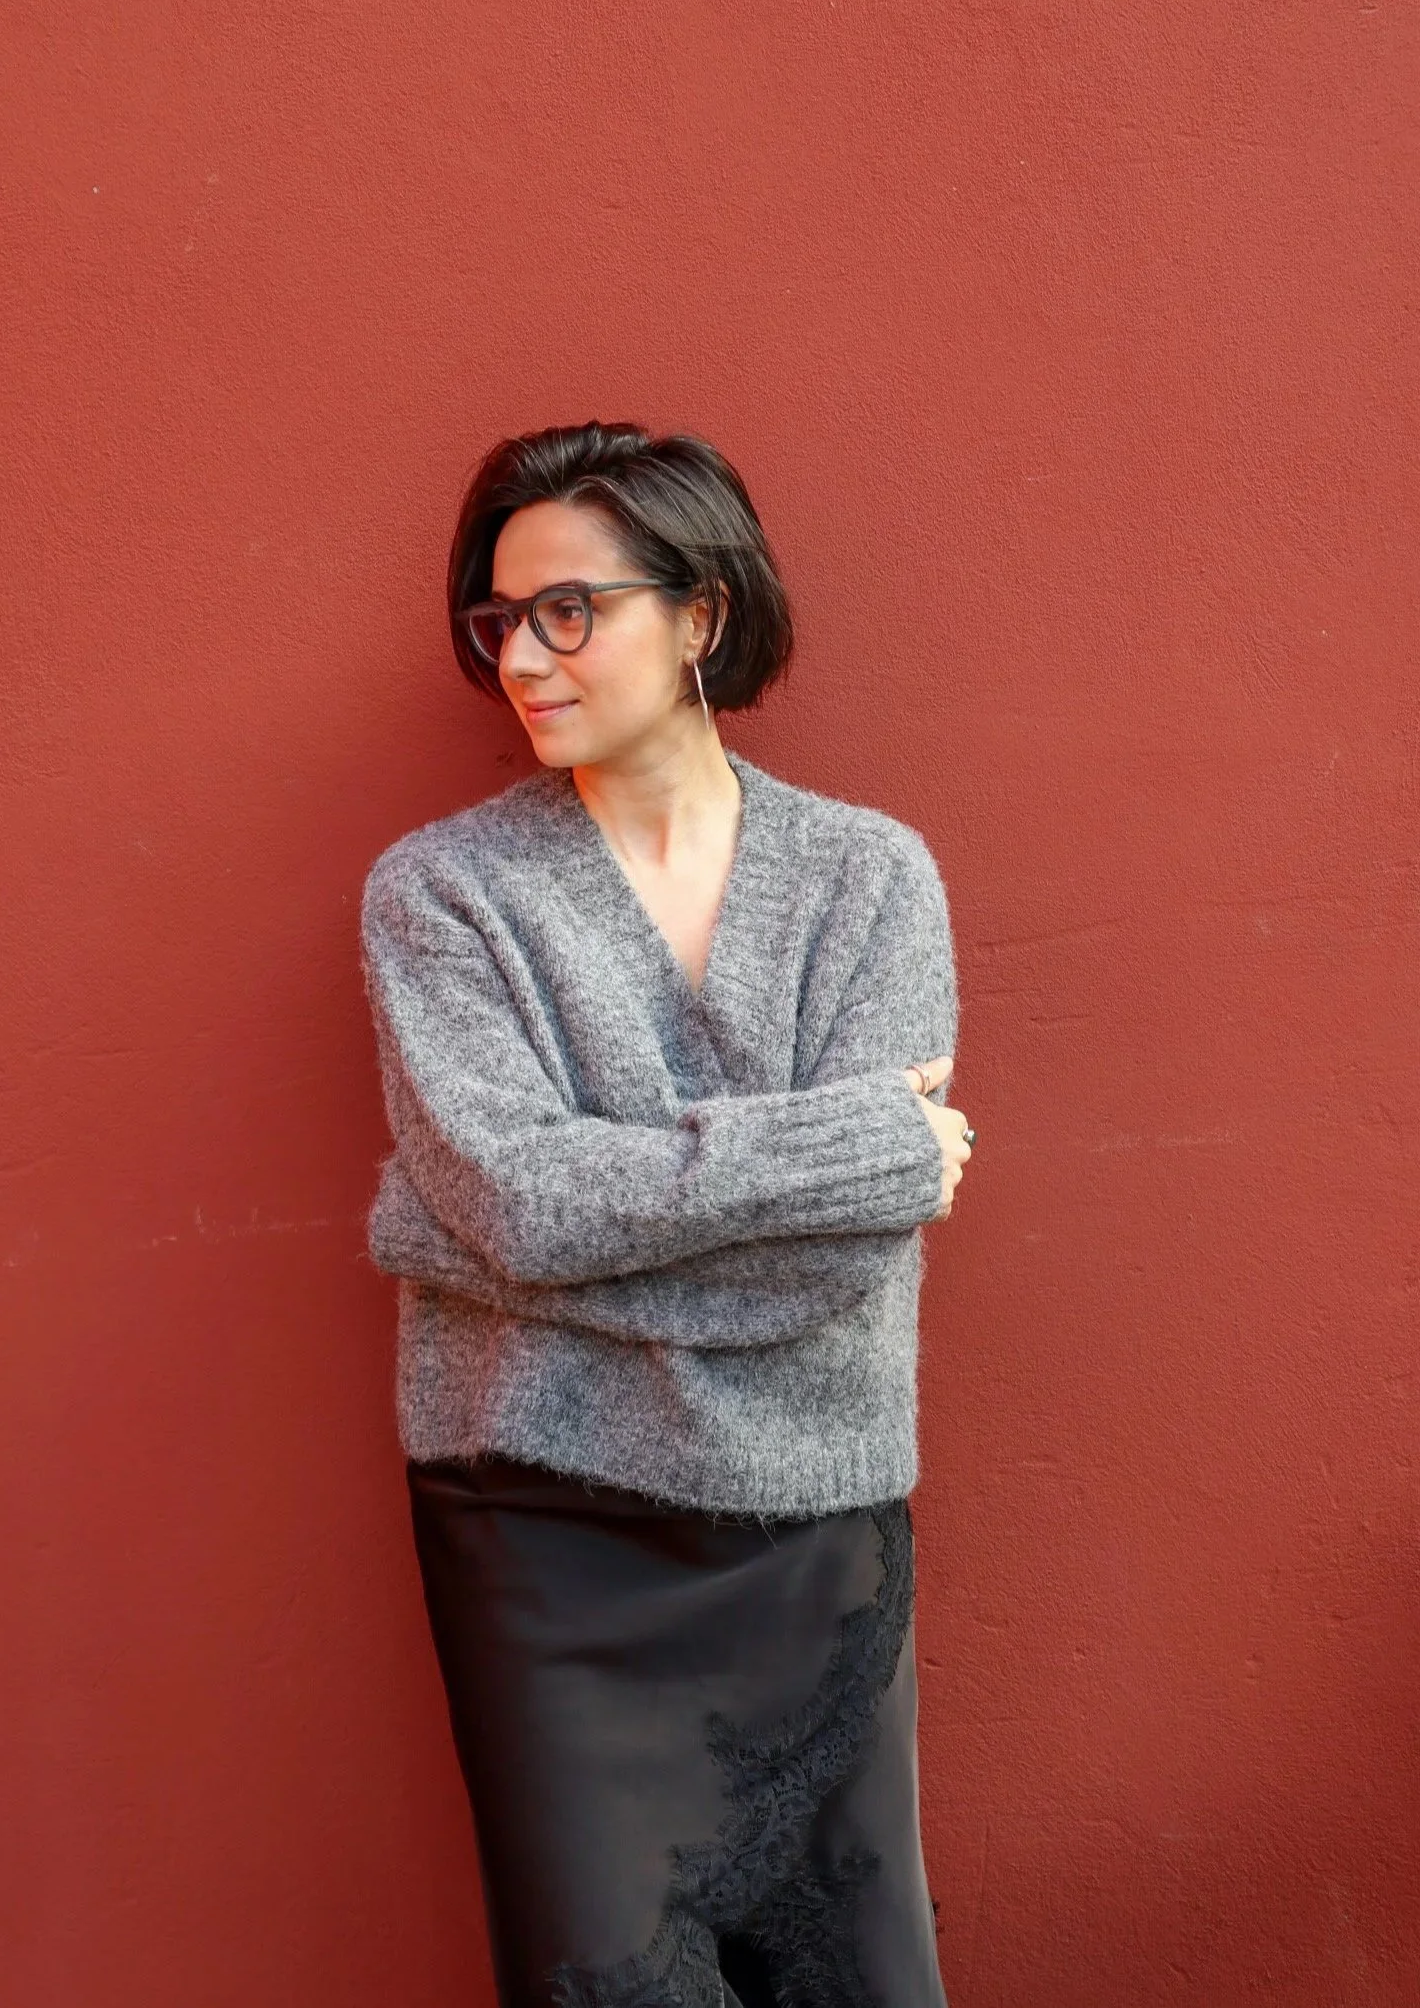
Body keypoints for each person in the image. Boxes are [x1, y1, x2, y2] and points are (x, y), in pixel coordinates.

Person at [358, 419, 975, 2008]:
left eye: (573, 609)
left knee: (853, 1976)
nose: (525, 657)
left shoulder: (868, 879)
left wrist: (493, 1241)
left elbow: (826, 1268)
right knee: (607, 1983)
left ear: (700, 613)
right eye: (501, 619)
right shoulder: (442, 895)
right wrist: (857, 1155)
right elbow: (510, 1197)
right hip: (544, 1530)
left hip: (816, 1528)